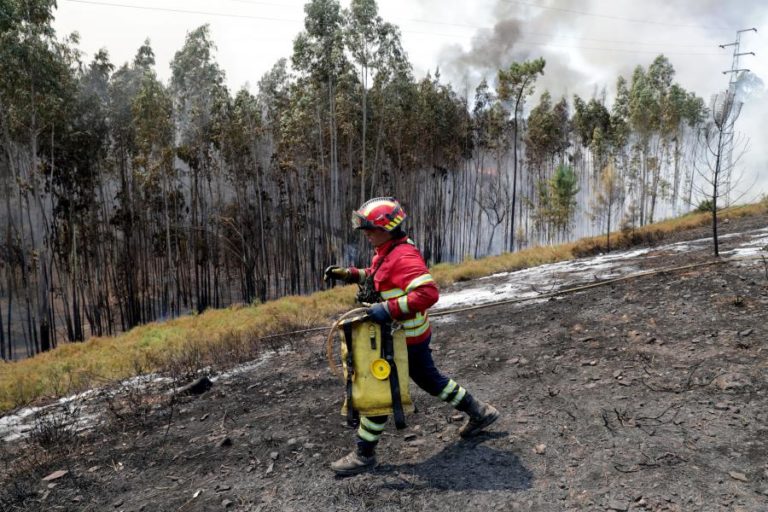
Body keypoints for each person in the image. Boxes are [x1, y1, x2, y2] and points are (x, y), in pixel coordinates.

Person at [324, 197, 499, 476]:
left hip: (403, 339)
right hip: (406, 336)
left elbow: (428, 293)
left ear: (387, 228)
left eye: (370, 229)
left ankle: (364, 454)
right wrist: (350, 274)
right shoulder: (388, 249)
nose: (366, 234)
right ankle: (480, 412)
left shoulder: (403, 256)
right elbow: (379, 275)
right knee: (430, 380)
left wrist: (389, 308)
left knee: (378, 392)